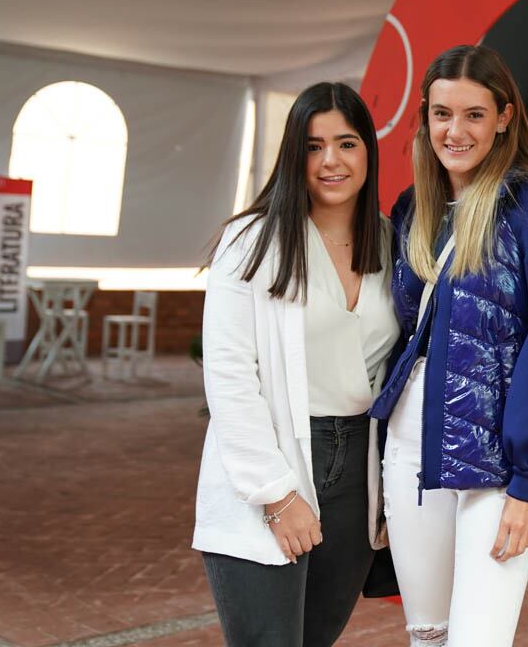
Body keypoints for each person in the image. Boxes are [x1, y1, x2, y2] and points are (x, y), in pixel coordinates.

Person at [369, 44, 528, 646]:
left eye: (473, 115)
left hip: (497, 464)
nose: (454, 131)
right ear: (426, 119)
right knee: (428, 635)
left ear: (505, 117)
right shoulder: (414, 209)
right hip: (412, 448)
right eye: (442, 114)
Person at [193, 82, 400, 646]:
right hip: (276, 457)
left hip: (357, 468)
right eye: (313, 146)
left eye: (347, 143)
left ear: (368, 152)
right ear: (293, 155)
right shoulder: (252, 242)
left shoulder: (390, 242)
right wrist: (277, 495)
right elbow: (231, 378)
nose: (330, 160)